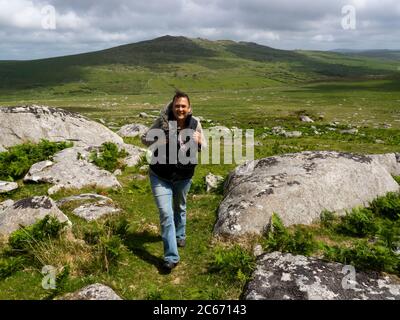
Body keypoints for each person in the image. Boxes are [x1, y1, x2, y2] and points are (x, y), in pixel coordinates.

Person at [141, 91, 206, 271]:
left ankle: (180, 234)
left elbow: (203, 145)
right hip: (160, 175)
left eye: (183, 106)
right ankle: (171, 256)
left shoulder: (195, 123)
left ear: (189, 108)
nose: (180, 109)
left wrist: (200, 140)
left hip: (184, 176)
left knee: (180, 206)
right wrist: (159, 138)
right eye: (177, 105)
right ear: (172, 106)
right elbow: (144, 138)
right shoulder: (163, 122)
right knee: (166, 213)